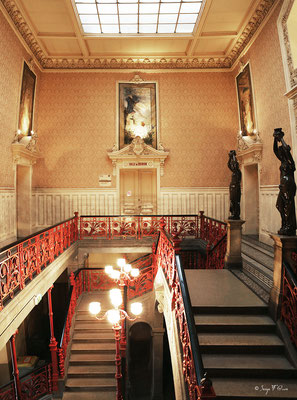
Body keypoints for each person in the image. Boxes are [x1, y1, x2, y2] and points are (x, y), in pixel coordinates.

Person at [273, 128, 296, 235]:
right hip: (283, 185)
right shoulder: (282, 161)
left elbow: (286, 148)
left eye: (282, 151)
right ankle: (284, 224)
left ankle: (289, 226)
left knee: (288, 205)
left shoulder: (290, 162)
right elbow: (275, 150)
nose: (280, 152)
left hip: (288, 184)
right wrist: (274, 139)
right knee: (279, 205)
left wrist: (281, 138)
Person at [228, 150, 241, 219]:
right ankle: (233, 213)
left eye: (235, 165)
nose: (233, 166)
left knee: (236, 202)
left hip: (236, 190)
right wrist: (230, 157)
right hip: (232, 189)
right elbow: (229, 165)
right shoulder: (234, 172)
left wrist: (233, 156)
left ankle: (236, 214)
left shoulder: (238, 172)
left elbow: (234, 163)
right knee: (232, 202)